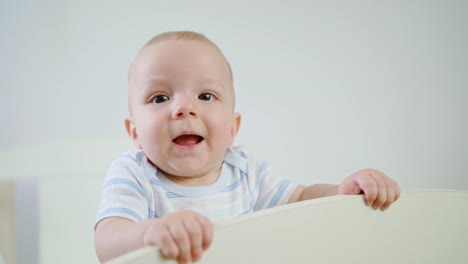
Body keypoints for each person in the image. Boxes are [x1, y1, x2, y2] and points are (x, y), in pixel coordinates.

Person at [94, 31, 400, 264]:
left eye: (206, 96)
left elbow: (300, 199)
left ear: (232, 128)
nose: (184, 108)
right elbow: (106, 240)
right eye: (160, 98)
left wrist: (340, 192)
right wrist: (149, 234)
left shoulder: (245, 170)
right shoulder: (134, 173)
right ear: (133, 131)